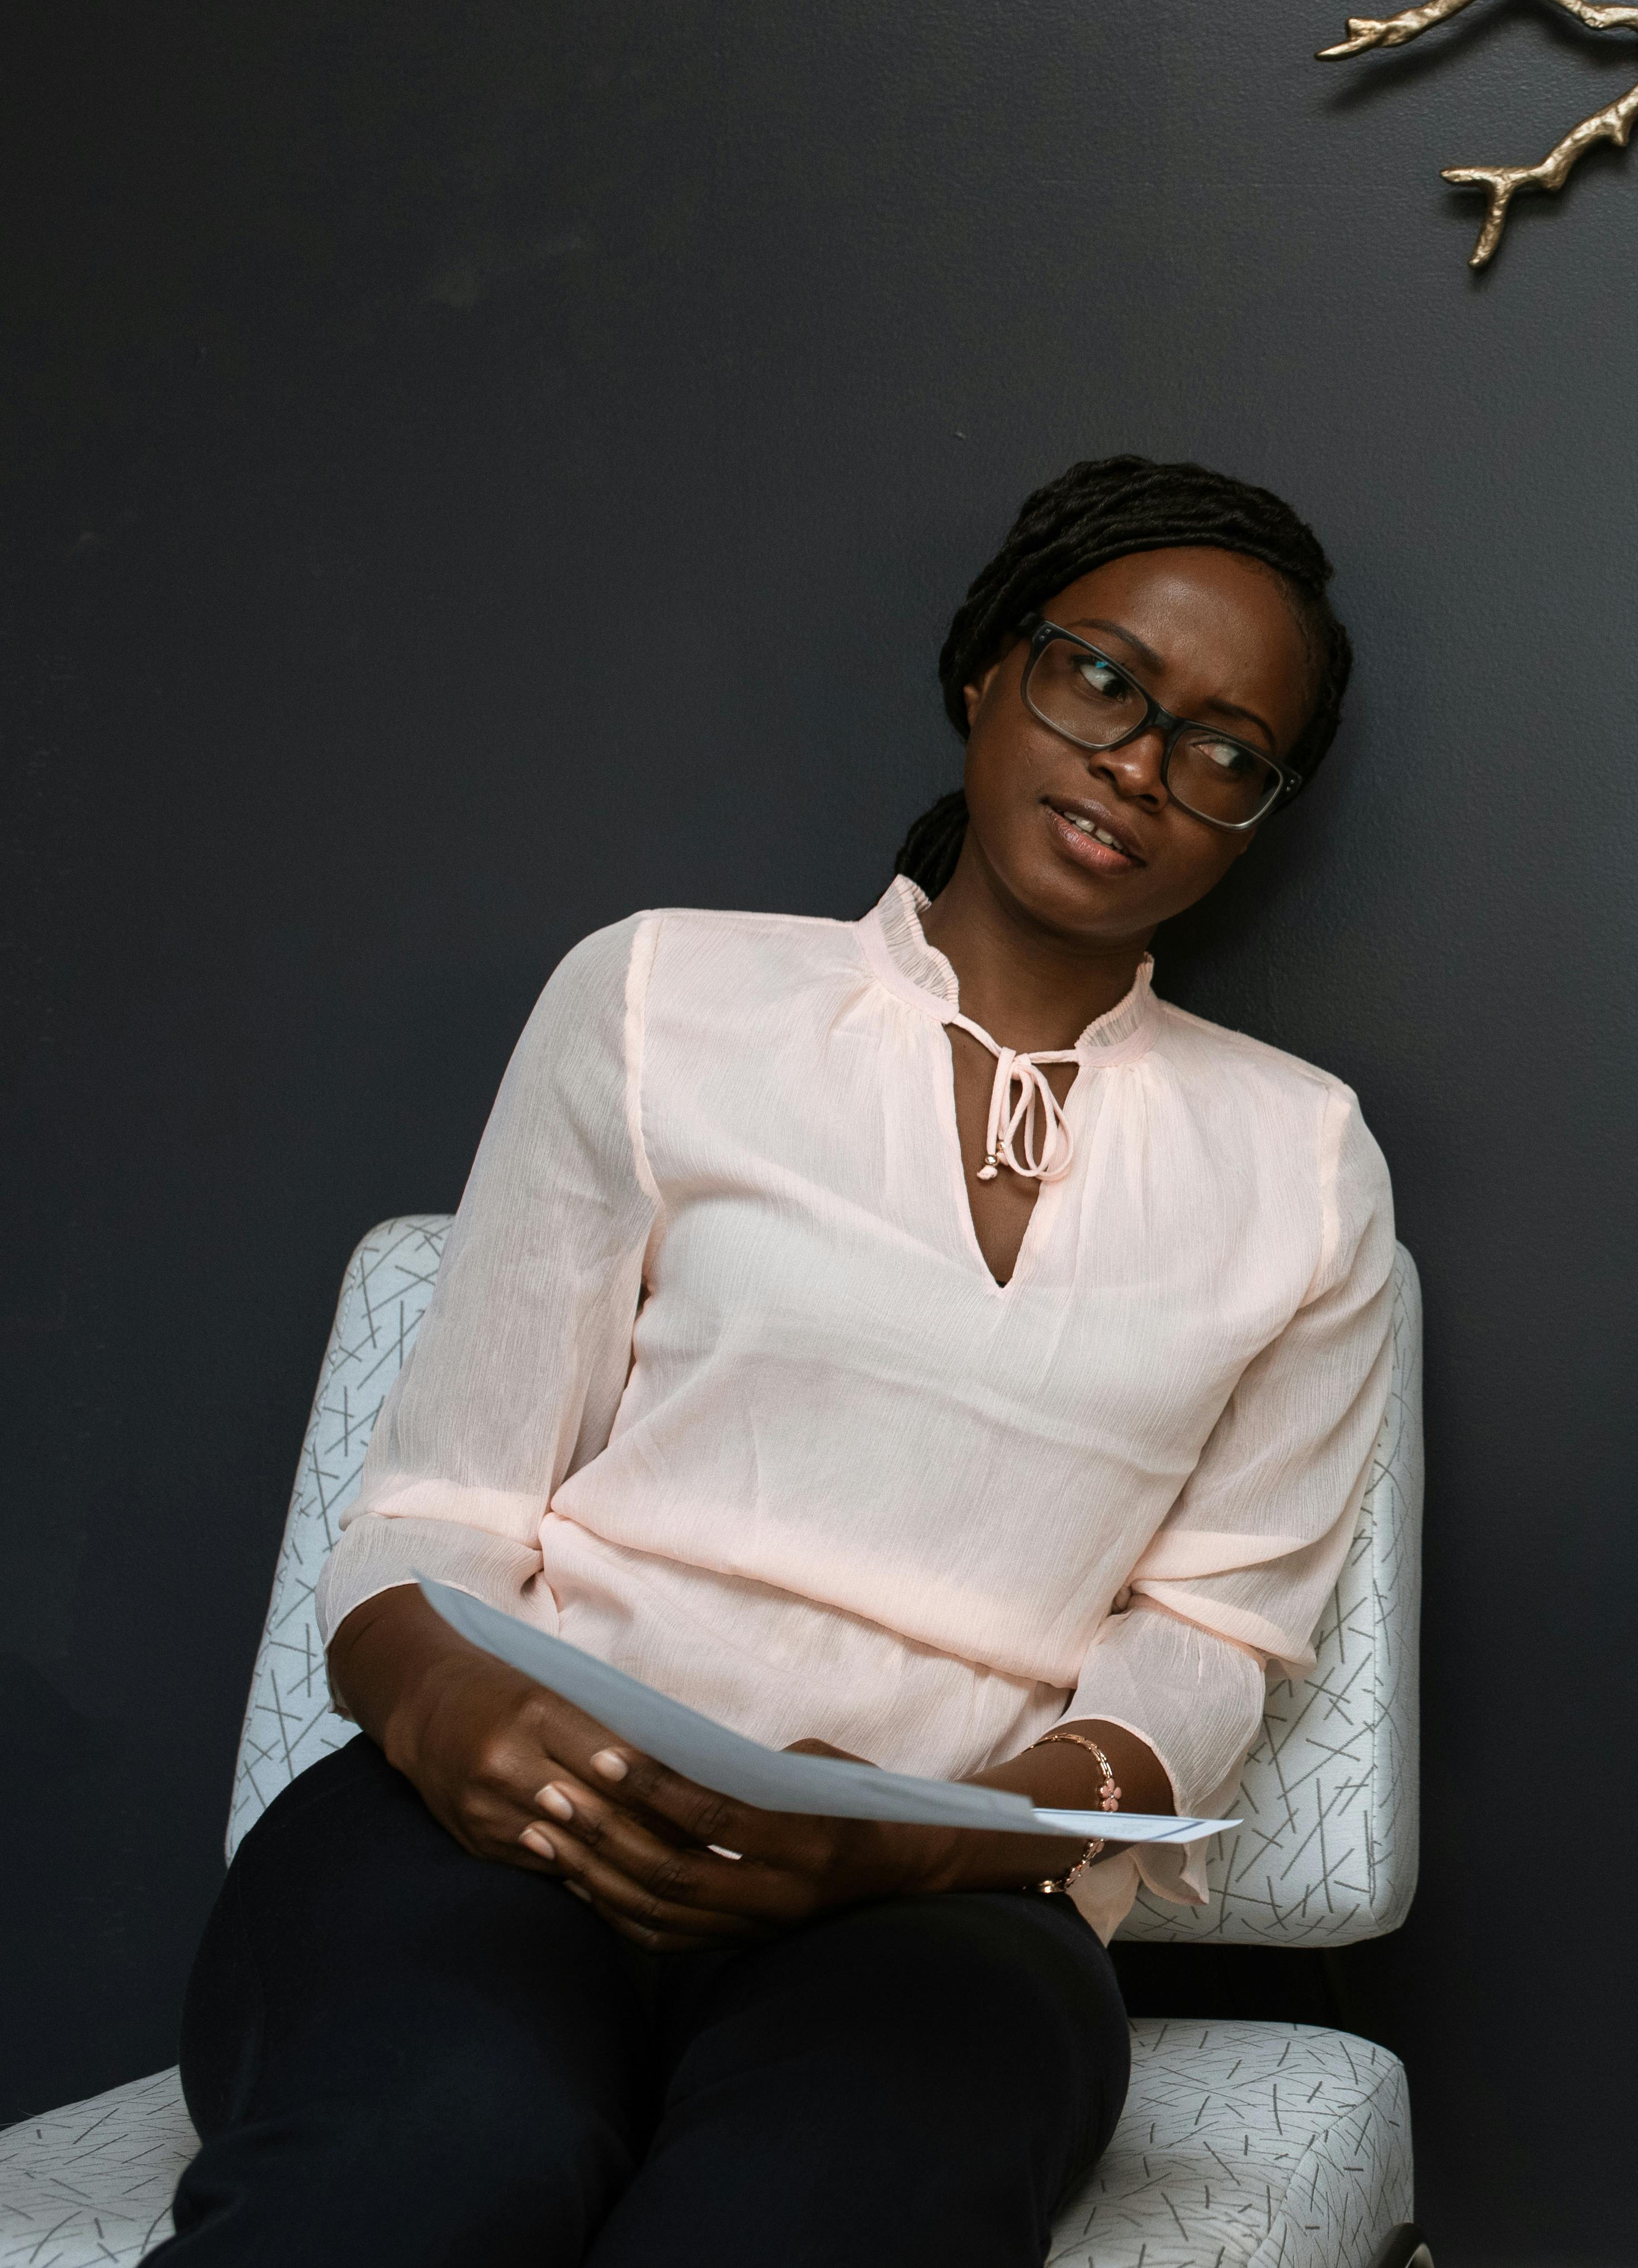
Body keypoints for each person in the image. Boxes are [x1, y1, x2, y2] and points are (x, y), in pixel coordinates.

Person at [156, 457, 1394, 2266]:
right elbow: (439, 1502)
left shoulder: (1301, 1163)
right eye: (1103, 677)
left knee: (802, 2223)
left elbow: (1214, 1643)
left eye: (1222, 747)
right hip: (502, 1827)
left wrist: (928, 1845)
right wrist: (451, 1714)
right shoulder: (662, 999)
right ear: (988, 669)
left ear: (1253, 814)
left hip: (943, 1905)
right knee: (430, 2164)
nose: (1140, 758)